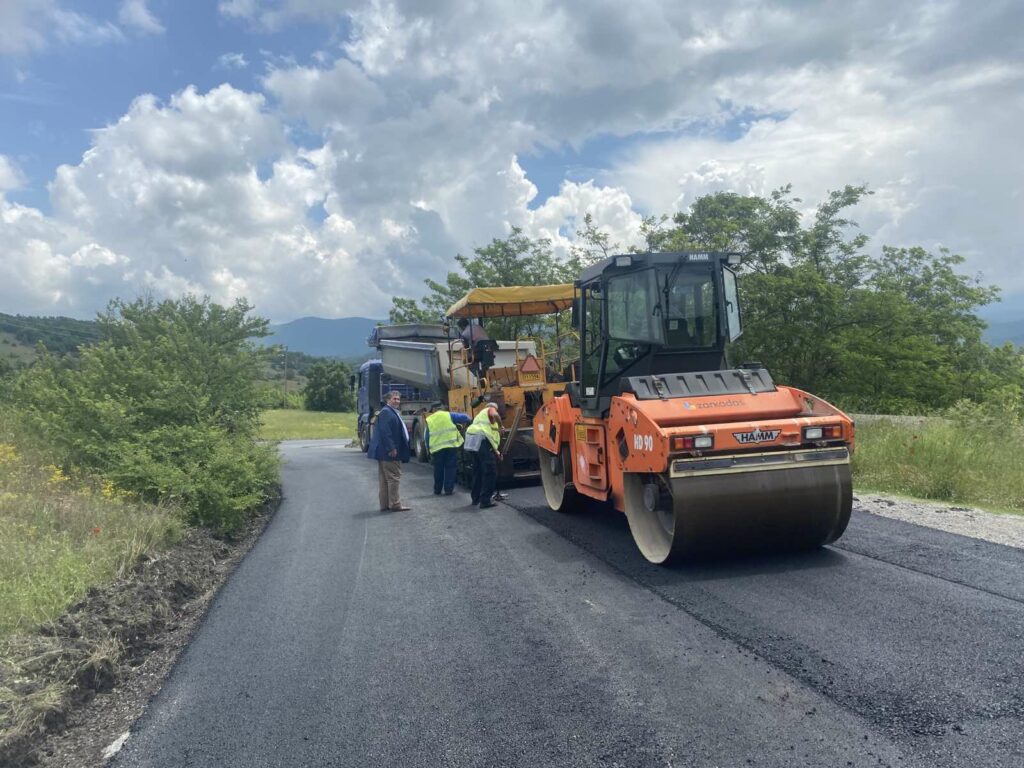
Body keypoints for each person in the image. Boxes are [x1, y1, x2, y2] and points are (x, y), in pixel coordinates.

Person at [367, 390, 411, 511]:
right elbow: (385, 432)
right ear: (387, 400)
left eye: (398, 399)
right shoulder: (386, 412)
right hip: (389, 452)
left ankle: (385, 504)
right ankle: (395, 504)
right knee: (393, 477)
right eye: (394, 399)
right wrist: (391, 448)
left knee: (384, 479)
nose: (397, 401)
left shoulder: (390, 411)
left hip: (384, 451)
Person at [424, 401, 471, 495]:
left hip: (436, 448)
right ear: (441, 408)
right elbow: (466, 418)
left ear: (433, 410)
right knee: (450, 468)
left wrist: (428, 449)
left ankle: (437, 490)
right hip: (450, 446)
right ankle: (448, 489)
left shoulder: (429, 419)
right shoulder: (449, 415)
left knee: (438, 469)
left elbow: (427, 436)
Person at [464, 401, 502, 508]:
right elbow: (495, 414)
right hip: (480, 439)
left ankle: (475, 499)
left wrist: (497, 454)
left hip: (472, 441)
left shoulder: (480, 418)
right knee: (490, 471)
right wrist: (501, 426)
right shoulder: (490, 409)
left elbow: (491, 441)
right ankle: (485, 501)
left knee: (478, 470)